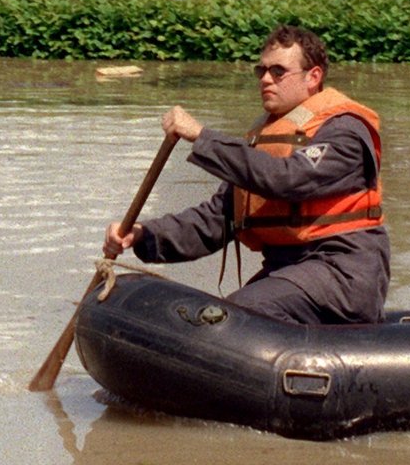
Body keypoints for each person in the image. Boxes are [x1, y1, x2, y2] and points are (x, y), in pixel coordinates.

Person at [103, 25, 388, 325]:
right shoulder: (266, 139)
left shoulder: (345, 131)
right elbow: (217, 218)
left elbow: (287, 179)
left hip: (341, 273)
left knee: (235, 320)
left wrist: (201, 137)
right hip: (289, 272)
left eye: (278, 72)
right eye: (261, 70)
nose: (265, 79)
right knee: (224, 320)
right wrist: (142, 235)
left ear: (313, 77)